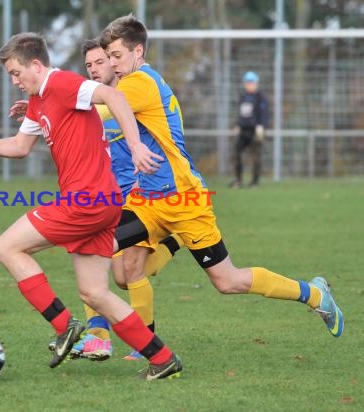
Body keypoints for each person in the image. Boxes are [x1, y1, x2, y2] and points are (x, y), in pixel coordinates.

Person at [96, 15, 343, 368]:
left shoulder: (140, 83)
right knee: (104, 254)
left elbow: (103, 108)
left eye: (117, 56)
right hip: (147, 200)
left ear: (138, 51)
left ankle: (315, 294)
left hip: (184, 201)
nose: (113, 64)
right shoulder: (134, 81)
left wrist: (52, 104)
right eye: (110, 56)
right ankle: (120, 338)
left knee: (228, 282)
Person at [0, 32, 183, 381]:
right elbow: (19, 146)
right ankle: (163, 359)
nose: (14, 81)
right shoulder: (39, 100)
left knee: (7, 247)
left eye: (16, 73)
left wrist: (135, 146)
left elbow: (113, 97)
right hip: (102, 202)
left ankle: (64, 325)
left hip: (86, 200)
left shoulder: (61, 83)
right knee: (95, 292)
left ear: (37, 65)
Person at [70, 38, 182, 362]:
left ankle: (136, 342)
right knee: (112, 271)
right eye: (88, 65)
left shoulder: (130, 94)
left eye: (99, 62)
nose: (93, 69)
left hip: (143, 194)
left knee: (126, 269)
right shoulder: (98, 99)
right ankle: (98, 335)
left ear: (113, 60)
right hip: (109, 195)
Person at [229, 71, 269, 188]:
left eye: (251, 82)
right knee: (236, 154)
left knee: (256, 156)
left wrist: (261, 126)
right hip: (243, 131)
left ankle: (255, 182)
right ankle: (238, 180)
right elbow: (242, 114)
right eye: (247, 82)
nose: (249, 85)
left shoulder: (260, 97)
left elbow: (264, 113)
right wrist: (238, 125)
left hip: (255, 131)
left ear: (256, 83)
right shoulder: (243, 97)